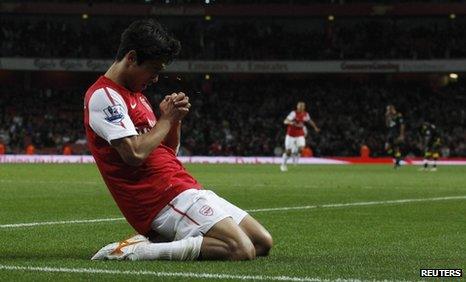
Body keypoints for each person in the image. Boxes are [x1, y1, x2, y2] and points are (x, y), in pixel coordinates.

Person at [84, 19, 272, 261]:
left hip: (181, 185)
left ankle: (164, 241)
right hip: (159, 197)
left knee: (262, 242)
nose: (155, 79)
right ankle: (139, 251)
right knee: (240, 249)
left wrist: (174, 121)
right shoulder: (104, 95)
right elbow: (134, 154)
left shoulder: (137, 98)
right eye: (154, 69)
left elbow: (166, 151)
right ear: (131, 58)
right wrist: (165, 119)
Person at [280, 101, 319, 171]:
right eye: (299, 106)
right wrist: (292, 123)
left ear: (304, 107)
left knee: (301, 148)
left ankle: (295, 155)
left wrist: (315, 127)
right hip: (290, 135)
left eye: (302, 106)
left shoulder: (306, 114)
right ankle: (283, 165)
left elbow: (309, 120)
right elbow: (285, 121)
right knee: (288, 152)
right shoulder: (293, 113)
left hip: (300, 134)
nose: (301, 107)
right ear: (297, 106)